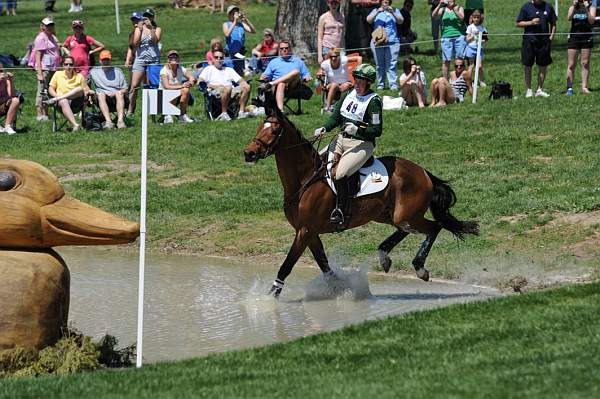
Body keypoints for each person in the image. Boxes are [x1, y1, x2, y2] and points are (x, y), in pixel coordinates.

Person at [313, 64, 382, 229]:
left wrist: (358, 129)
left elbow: (377, 130)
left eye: (361, 81)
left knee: (340, 173)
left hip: (362, 143)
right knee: (317, 162)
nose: (357, 83)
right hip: (341, 140)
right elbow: (336, 116)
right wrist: (325, 128)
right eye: (356, 79)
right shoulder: (348, 94)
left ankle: (341, 210)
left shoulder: (373, 102)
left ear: (368, 83)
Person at [516, 0, 557, 98]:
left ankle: (539, 89)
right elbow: (518, 23)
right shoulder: (526, 7)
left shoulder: (548, 7)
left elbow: (553, 23)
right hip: (529, 41)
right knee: (528, 65)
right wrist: (531, 22)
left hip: (544, 41)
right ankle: (529, 90)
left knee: (543, 66)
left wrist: (551, 37)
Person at [198, 49, 252, 121]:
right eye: (216, 57)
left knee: (247, 87)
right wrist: (216, 86)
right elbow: (200, 82)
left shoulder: (229, 70)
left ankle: (241, 112)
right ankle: (224, 113)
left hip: (231, 90)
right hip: (215, 91)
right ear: (213, 59)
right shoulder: (208, 69)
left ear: (223, 59)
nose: (219, 59)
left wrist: (243, 83)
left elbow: (241, 80)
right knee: (228, 88)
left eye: (221, 58)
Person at [260, 40, 313, 111]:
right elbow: (266, 75)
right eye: (282, 48)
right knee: (281, 84)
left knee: (296, 71)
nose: (284, 50)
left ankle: (272, 83)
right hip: (276, 87)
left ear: (290, 49)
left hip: (293, 87)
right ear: (279, 50)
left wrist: (307, 77)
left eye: (286, 48)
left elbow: (306, 74)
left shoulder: (298, 61)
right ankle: (281, 111)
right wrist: (263, 77)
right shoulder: (273, 62)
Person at [128, 8, 162, 116]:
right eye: (145, 15)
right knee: (134, 86)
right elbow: (135, 44)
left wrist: (150, 28)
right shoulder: (139, 28)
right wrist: (139, 29)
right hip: (140, 60)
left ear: (152, 18)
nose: (147, 17)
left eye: (149, 16)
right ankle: (130, 110)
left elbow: (155, 40)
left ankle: (154, 110)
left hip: (153, 60)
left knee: (153, 85)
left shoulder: (157, 29)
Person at [45, 56, 91, 132]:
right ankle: (75, 125)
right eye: (66, 64)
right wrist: (58, 96)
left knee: (79, 89)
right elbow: (51, 89)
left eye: (71, 64)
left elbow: (87, 90)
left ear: (74, 65)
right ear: (63, 65)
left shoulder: (79, 76)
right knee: (64, 100)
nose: (68, 66)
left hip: (76, 103)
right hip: (61, 103)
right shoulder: (58, 74)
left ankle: (59, 98)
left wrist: (89, 93)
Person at [29, 17, 61, 122]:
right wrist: (39, 73)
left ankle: (46, 113)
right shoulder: (41, 38)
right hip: (44, 69)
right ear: (42, 26)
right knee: (42, 91)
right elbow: (38, 56)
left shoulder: (51, 37)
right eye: (47, 25)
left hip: (53, 68)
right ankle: (39, 114)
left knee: (48, 90)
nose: (50, 27)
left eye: (51, 25)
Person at [367, 0, 404, 90]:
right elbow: (369, 20)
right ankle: (380, 84)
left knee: (391, 64)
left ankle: (393, 85)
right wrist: (378, 12)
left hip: (392, 41)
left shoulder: (395, 10)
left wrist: (392, 12)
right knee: (379, 65)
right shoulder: (376, 10)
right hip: (378, 42)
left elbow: (401, 21)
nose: (385, 1)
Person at [89, 50, 128, 129]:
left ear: (110, 60)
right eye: (104, 60)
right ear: (100, 61)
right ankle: (108, 122)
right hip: (103, 98)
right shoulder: (93, 71)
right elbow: (84, 83)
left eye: (107, 60)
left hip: (117, 97)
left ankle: (120, 121)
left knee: (119, 93)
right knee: (100, 94)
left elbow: (125, 89)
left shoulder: (118, 71)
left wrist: (115, 93)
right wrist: (89, 93)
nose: (106, 62)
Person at [566, 0, 596, 95]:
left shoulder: (591, 7)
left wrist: (586, 9)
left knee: (585, 63)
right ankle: (569, 88)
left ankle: (584, 87)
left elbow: (591, 21)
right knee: (571, 64)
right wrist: (574, 7)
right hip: (574, 38)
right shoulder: (572, 7)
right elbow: (569, 18)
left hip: (586, 38)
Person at [159, 50, 197, 124]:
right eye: (171, 57)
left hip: (176, 95)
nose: (173, 58)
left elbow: (191, 77)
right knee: (178, 90)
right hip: (163, 97)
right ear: (168, 60)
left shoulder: (181, 68)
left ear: (178, 59)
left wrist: (191, 82)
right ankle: (168, 115)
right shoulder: (164, 71)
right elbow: (167, 86)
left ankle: (182, 115)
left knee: (185, 90)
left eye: (175, 57)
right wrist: (182, 85)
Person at [433, 0, 466, 79]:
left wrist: (455, 10)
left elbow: (462, 18)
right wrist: (439, 5)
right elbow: (434, 16)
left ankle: (461, 79)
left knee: (460, 59)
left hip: (459, 37)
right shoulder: (443, 10)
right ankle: (445, 80)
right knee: (446, 61)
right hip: (446, 37)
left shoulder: (459, 8)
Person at [222, 5, 256, 76]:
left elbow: (253, 31)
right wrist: (234, 22)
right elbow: (227, 34)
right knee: (230, 73)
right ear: (229, 15)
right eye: (233, 13)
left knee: (240, 73)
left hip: (240, 53)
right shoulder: (226, 24)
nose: (235, 14)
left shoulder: (241, 24)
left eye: (236, 12)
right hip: (230, 53)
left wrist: (245, 19)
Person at [465, 9, 488, 86]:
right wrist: (474, 36)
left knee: (480, 66)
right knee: (471, 65)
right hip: (471, 48)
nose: (476, 19)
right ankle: (469, 82)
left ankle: (482, 81)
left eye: (478, 17)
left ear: (480, 18)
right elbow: (467, 39)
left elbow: (485, 39)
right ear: (472, 18)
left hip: (479, 48)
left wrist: (481, 40)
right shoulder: (470, 27)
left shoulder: (482, 28)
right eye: (475, 17)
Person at [317, 0, 345, 64]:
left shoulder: (342, 16)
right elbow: (320, 38)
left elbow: (342, 35)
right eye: (332, 3)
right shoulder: (323, 17)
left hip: (339, 48)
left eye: (336, 3)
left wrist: (343, 50)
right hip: (327, 48)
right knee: (328, 69)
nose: (334, 5)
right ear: (328, 4)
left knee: (339, 69)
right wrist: (319, 55)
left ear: (339, 4)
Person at [0, 67, 20, 135]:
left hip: (3, 105)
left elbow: (12, 95)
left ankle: (7, 126)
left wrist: (10, 81)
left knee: (15, 100)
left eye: (2, 70)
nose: (1, 73)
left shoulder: (5, 80)